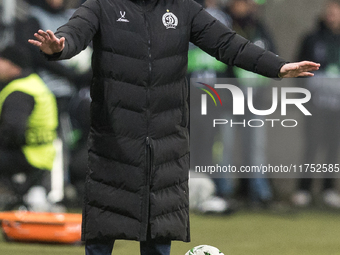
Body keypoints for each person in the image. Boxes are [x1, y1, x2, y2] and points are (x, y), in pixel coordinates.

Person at [28, 0, 319, 254]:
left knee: (159, 232)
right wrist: (58, 48)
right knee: (102, 231)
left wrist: (278, 67)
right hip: (114, 138)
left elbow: (229, 44)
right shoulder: (102, 4)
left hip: (167, 140)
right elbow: (73, 34)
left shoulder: (183, 8)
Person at [292, 0, 340, 209]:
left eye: (335, 12)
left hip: (337, 106)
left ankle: (328, 189)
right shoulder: (312, 39)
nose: (331, 15)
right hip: (315, 103)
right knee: (312, 145)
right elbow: (298, 69)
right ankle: (303, 189)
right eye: (328, 12)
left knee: (333, 147)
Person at [0, 44, 58, 211]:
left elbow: (12, 131)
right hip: (43, 155)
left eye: (2, 60)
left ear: (13, 65)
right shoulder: (34, 83)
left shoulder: (20, 91)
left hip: (28, 155)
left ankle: (11, 195)